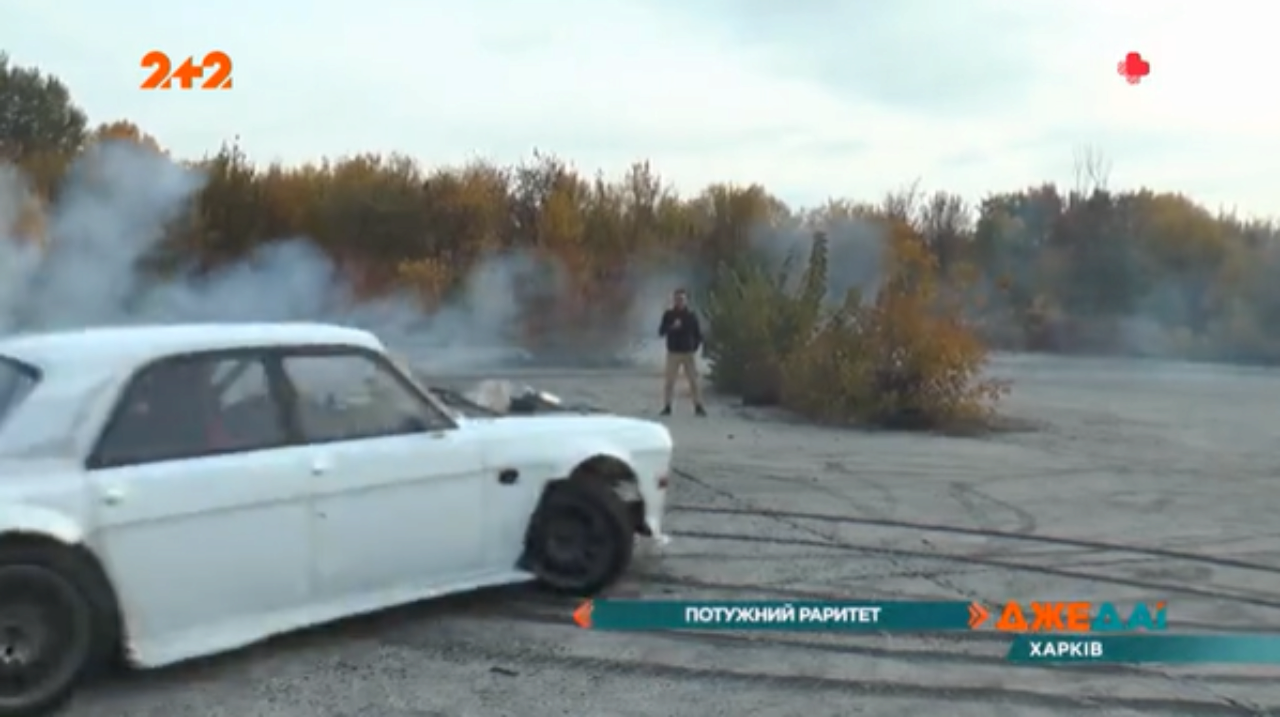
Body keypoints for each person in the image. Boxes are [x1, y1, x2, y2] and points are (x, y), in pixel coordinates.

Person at [658, 288, 706, 416]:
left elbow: (698, 334)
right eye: (677, 299)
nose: (679, 301)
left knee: (693, 381)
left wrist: (694, 347)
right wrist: (671, 327)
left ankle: (698, 406)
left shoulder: (691, 316)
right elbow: (661, 332)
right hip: (673, 352)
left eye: (682, 299)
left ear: (686, 301)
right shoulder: (669, 315)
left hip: (688, 353)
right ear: (674, 300)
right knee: (670, 381)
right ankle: (667, 406)